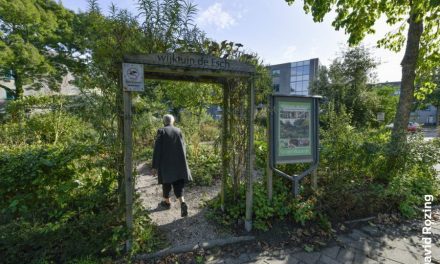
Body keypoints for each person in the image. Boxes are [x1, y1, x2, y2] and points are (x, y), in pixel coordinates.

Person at [152, 114, 192, 217]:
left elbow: (157, 149)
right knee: (178, 183)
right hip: (179, 162)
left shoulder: (161, 131)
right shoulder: (178, 131)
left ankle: (167, 203)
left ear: (164, 122)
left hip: (166, 164)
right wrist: (184, 161)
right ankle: (182, 202)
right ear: (172, 121)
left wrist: (155, 166)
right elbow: (184, 147)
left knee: (166, 183)